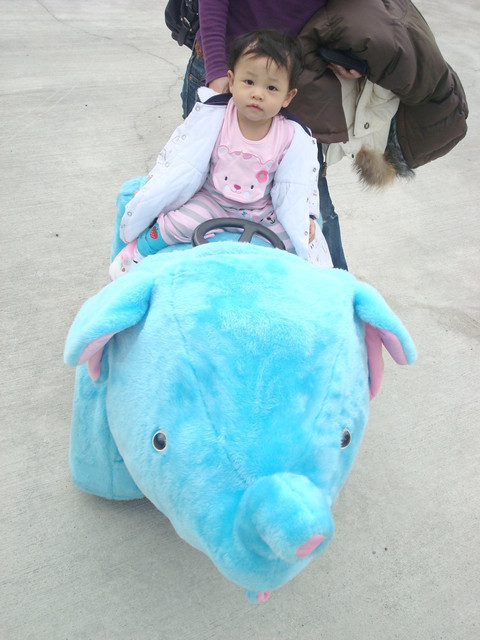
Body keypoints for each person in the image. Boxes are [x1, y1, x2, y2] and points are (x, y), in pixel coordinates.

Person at [181, 0, 467, 270]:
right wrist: (217, 71)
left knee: (311, 216)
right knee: (198, 193)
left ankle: (337, 294)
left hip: (293, 77)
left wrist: (349, 50)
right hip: (228, 69)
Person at [109, 29, 332, 280]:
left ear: (288, 96)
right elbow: (177, 155)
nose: (258, 94)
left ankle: (308, 285)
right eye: (249, 82)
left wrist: (308, 214)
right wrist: (152, 185)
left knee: (296, 244)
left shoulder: (292, 135)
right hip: (212, 199)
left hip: (261, 209)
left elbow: (301, 180)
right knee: (176, 224)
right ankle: (138, 253)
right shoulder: (214, 116)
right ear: (232, 80)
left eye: (271, 87)